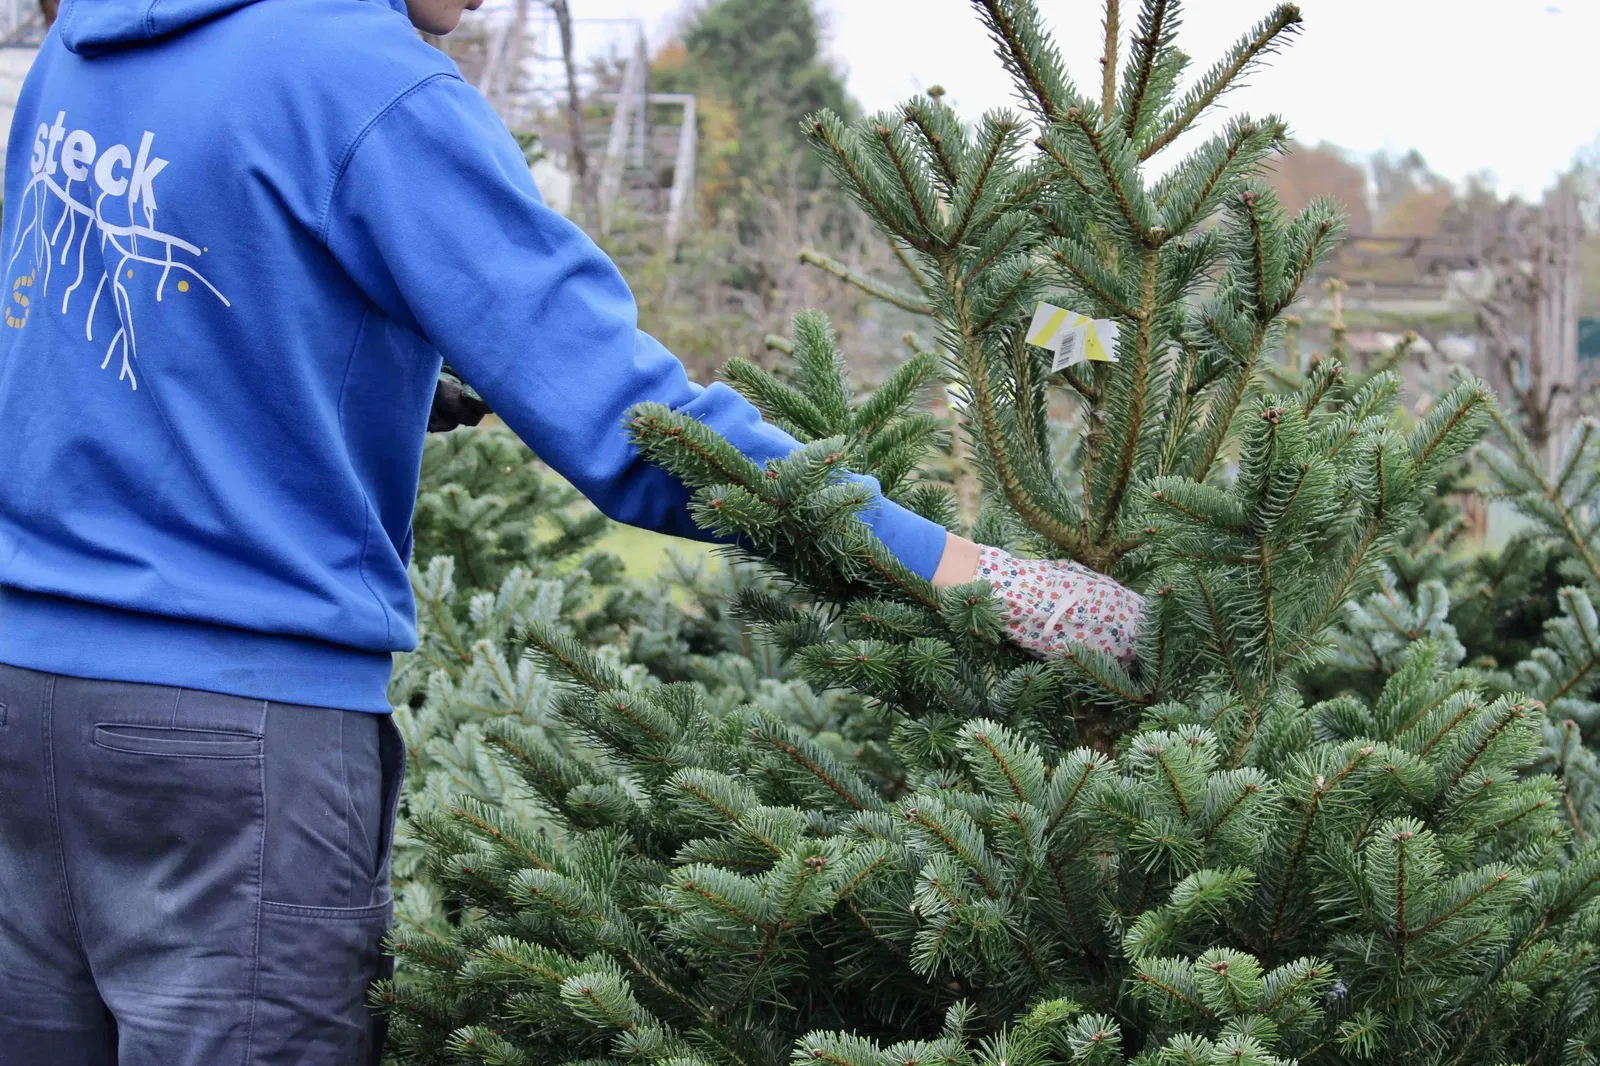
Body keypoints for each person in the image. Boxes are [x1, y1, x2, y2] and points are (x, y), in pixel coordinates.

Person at [0, 0, 1143, 1062]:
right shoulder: (374, 89)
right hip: (230, 745)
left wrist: (401, 376)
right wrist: (962, 569)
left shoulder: (86, 49)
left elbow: (94, 330)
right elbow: (639, 428)